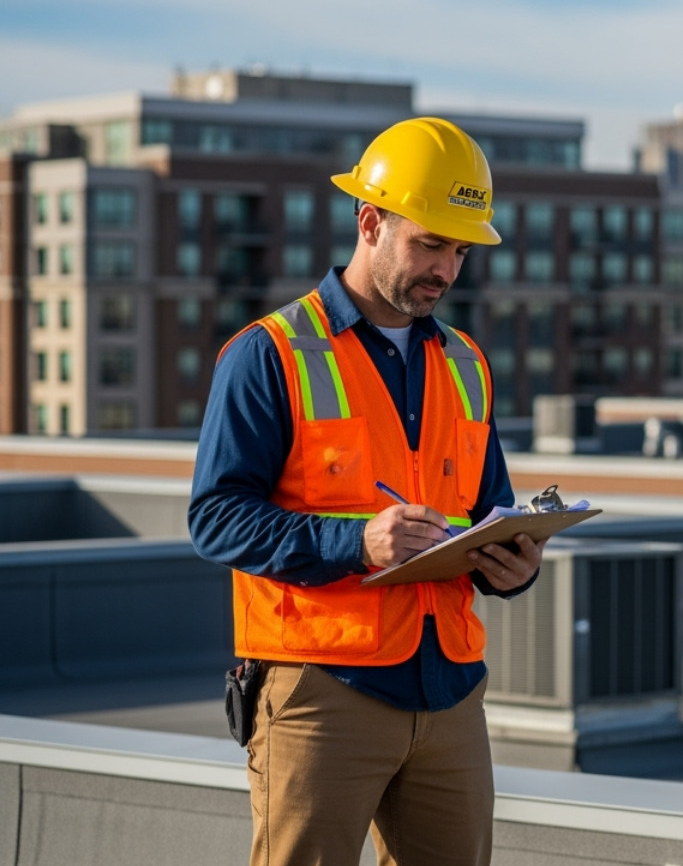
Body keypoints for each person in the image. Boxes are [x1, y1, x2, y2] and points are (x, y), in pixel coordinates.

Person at [189, 117, 541, 866]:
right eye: (429, 243)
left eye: (459, 249)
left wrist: (515, 565)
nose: (446, 269)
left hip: (448, 690)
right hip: (320, 691)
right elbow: (215, 519)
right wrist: (356, 542)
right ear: (370, 221)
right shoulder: (269, 354)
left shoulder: (466, 363)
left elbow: (488, 514)